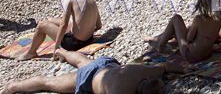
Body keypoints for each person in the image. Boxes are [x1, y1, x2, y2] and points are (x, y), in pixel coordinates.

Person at [2, 48, 180, 94]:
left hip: (105, 64)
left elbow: (167, 66)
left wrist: (186, 68)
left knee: (83, 61)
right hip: (90, 79)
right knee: (48, 83)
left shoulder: (143, 72)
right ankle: (12, 87)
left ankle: (61, 51)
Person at [144, 0, 221, 63]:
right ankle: (157, 40)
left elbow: (189, 38)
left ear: (201, 4)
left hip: (190, 56)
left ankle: (160, 46)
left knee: (176, 18)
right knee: (178, 32)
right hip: (207, 54)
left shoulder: (199, 19)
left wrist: (184, 33)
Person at [18, 0, 101, 61]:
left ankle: (31, 52)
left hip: (74, 44)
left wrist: (56, 47)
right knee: (50, 20)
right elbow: (99, 26)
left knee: (42, 25)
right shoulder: (92, 1)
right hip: (89, 40)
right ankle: (46, 33)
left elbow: (63, 25)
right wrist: (86, 30)